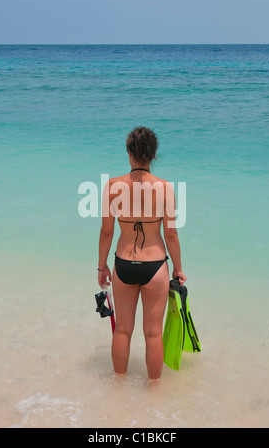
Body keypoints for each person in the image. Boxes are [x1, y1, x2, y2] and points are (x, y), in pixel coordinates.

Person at [98, 126, 186, 381]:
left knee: (122, 331)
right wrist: (178, 268)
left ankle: (118, 387)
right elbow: (171, 235)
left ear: (129, 153)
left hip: (123, 264)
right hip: (155, 266)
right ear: (153, 154)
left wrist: (102, 266)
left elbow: (106, 233)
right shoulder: (165, 188)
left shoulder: (113, 186)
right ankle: (155, 391)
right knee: (153, 333)